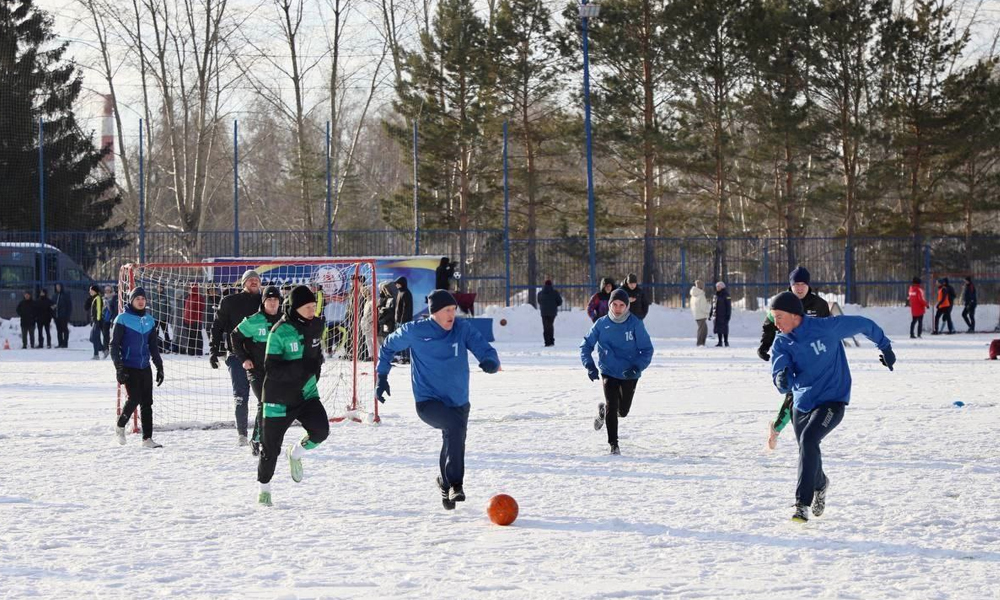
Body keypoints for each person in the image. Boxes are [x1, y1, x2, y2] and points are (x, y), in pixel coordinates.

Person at [768, 291, 894, 522]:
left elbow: (864, 324)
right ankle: (821, 484)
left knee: (808, 441)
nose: (775, 323)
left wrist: (885, 347)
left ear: (795, 315)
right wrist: (781, 379)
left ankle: (801, 505)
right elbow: (778, 369)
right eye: (773, 317)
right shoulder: (782, 341)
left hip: (832, 400)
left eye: (779, 316)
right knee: (808, 452)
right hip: (802, 403)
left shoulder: (826, 328)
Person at [376, 290, 500, 510]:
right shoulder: (415, 331)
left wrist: (489, 360)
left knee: (454, 438)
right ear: (434, 313)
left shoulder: (461, 328)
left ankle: (444, 483)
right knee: (453, 428)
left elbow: (482, 346)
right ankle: (455, 484)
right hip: (428, 401)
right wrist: (382, 376)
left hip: (459, 400)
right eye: (447, 310)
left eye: (453, 309)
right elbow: (387, 346)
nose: (452, 314)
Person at [257, 285, 328, 506]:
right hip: (278, 398)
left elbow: (316, 354)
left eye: (314, 306)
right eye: (307, 307)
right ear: (295, 308)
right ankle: (264, 491)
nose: (312, 311)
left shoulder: (317, 325)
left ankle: (295, 453)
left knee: (321, 431)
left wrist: (315, 369)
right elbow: (271, 367)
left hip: (306, 394)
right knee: (270, 450)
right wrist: (300, 368)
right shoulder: (279, 331)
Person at [758, 266, 831, 449]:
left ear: (808, 285)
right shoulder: (780, 301)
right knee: (792, 393)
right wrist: (764, 346)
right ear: (790, 286)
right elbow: (769, 325)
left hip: (813, 358)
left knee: (812, 396)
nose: (799, 288)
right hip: (790, 355)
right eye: (795, 284)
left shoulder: (820, 305)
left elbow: (829, 331)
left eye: (802, 284)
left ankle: (795, 431)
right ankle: (786, 431)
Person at [581, 288, 654, 455]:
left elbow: (647, 350)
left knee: (623, 411)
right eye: (615, 304)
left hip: (630, 372)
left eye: (622, 305)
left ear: (627, 306)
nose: (618, 308)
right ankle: (614, 445)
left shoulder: (635, 324)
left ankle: (603, 411)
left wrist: (637, 367)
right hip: (609, 370)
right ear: (609, 305)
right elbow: (585, 345)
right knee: (612, 406)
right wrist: (589, 365)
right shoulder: (601, 324)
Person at [210, 270, 263, 446]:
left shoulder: (267, 302)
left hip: (262, 357)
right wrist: (213, 350)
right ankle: (242, 434)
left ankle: (260, 432)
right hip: (237, 356)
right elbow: (217, 326)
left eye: (257, 279)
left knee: (265, 398)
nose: (254, 282)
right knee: (241, 396)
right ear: (243, 283)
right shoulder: (230, 302)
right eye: (250, 280)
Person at [231, 286, 283, 456]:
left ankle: (260, 438)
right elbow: (235, 336)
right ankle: (259, 440)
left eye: (276, 299)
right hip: (257, 370)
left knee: (274, 404)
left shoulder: (285, 320)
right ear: (264, 302)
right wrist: (244, 359)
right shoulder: (253, 320)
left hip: (276, 371)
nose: (273, 302)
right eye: (269, 300)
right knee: (265, 401)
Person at [112, 287, 165, 449]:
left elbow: (153, 346)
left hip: (145, 366)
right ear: (131, 300)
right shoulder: (122, 319)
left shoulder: (149, 320)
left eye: (143, 298)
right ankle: (120, 425)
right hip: (129, 366)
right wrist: (119, 367)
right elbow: (113, 345)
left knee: (147, 402)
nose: (141, 301)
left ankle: (147, 439)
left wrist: (159, 366)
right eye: (137, 298)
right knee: (134, 398)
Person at [393, 276, 414, 364]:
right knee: (401, 339)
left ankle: (406, 357)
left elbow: (406, 309)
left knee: (405, 339)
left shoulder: (406, 293)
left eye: (397, 283)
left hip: (404, 321)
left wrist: (403, 321)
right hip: (399, 321)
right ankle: (402, 356)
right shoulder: (400, 292)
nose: (396, 285)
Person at [537, 279, 563, 347]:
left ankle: (547, 342)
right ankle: (551, 341)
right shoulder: (555, 292)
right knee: (550, 326)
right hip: (552, 312)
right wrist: (554, 305)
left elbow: (539, 301)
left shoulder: (540, 293)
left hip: (544, 312)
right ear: (551, 285)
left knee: (545, 327)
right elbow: (560, 302)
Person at [182, 283, 205, 355]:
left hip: (195, 321)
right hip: (187, 321)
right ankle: (191, 351)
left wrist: (195, 319)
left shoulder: (199, 297)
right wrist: (185, 318)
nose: (189, 290)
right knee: (190, 337)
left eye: (190, 289)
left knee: (197, 336)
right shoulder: (188, 297)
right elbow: (186, 309)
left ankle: (198, 352)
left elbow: (200, 309)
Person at [86, 285, 106, 359]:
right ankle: (103, 350)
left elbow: (98, 310)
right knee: (93, 338)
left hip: (97, 320)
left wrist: (97, 320)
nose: (90, 291)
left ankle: (96, 354)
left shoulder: (98, 298)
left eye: (91, 290)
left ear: (95, 291)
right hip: (95, 320)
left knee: (94, 337)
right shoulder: (94, 298)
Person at [689, 280, 711, 346]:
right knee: (703, 330)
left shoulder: (694, 295)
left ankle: (701, 343)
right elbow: (703, 307)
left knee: (702, 329)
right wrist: (708, 312)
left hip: (696, 314)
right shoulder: (701, 295)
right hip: (701, 315)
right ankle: (700, 343)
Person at [376, 280, 397, 348]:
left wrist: (384, 318)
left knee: (388, 338)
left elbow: (391, 312)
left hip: (389, 322)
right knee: (382, 338)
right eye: (384, 289)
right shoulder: (388, 299)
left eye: (386, 289)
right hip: (384, 322)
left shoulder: (393, 299)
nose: (385, 291)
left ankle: (390, 355)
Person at [710, 281, 732, 347]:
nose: (717, 287)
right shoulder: (715, 295)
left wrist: (728, 315)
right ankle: (720, 342)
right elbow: (713, 305)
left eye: (718, 286)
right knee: (718, 329)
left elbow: (728, 306)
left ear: (722, 287)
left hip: (723, 315)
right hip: (717, 315)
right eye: (716, 286)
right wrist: (710, 313)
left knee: (724, 328)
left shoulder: (726, 295)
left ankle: (726, 342)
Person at [52, 282, 72, 348]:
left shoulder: (65, 295)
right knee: (59, 330)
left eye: (59, 287)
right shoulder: (54, 295)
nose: (58, 288)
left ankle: (65, 343)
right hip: (57, 315)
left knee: (64, 329)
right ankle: (60, 343)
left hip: (63, 315)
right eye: (57, 287)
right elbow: (52, 303)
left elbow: (69, 305)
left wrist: (68, 315)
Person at [101, 285, 116, 352]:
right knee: (105, 334)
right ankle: (106, 348)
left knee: (114, 333)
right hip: (106, 318)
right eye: (106, 290)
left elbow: (112, 308)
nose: (107, 291)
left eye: (108, 290)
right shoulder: (104, 298)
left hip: (113, 317)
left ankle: (114, 347)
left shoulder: (114, 297)